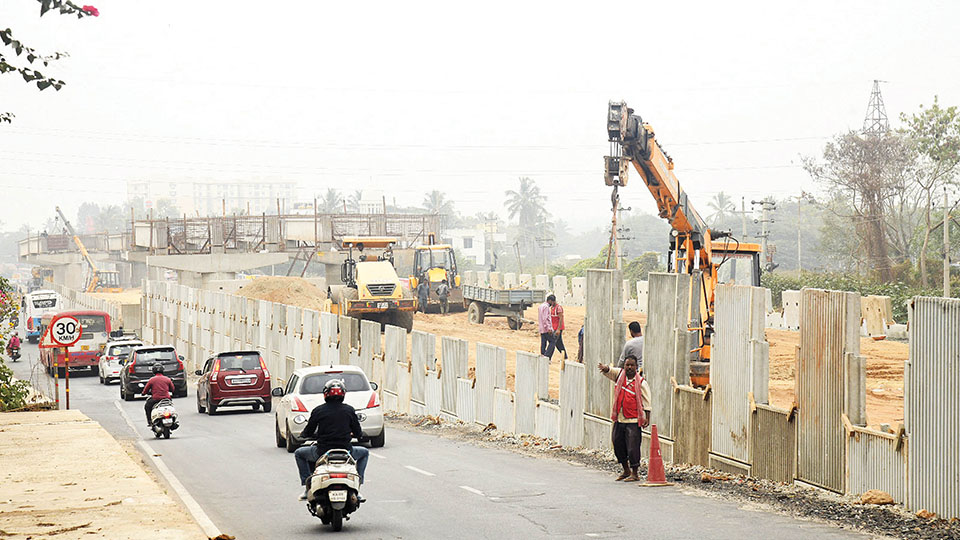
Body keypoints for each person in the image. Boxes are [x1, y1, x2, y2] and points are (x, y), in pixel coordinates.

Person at [295, 379, 370, 501]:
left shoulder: (318, 410)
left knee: (299, 453)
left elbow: (308, 431)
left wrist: (303, 435)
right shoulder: (349, 410)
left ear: (325, 394)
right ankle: (358, 486)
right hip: (347, 451)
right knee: (364, 452)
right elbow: (357, 432)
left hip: (321, 452)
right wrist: (358, 435)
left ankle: (307, 486)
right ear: (343, 394)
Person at [597, 355, 651, 482]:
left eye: (632, 365)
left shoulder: (641, 383)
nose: (629, 367)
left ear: (636, 367)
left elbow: (647, 401)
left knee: (633, 447)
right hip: (619, 419)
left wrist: (647, 417)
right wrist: (605, 368)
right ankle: (626, 470)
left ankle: (635, 473)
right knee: (617, 444)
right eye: (627, 365)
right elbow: (610, 371)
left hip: (632, 420)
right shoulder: (620, 376)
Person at [538, 295, 558, 360]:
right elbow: (545, 318)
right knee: (552, 342)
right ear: (550, 301)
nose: (552, 304)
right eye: (552, 302)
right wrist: (548, 328)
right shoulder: (546, 307)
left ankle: (543, 355)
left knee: (543, 342)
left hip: (541, 328)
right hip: (546, 328)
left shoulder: (541, 306)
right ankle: (547, 356)